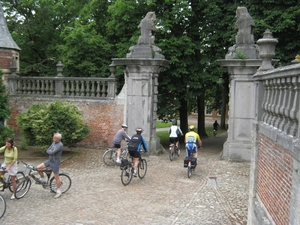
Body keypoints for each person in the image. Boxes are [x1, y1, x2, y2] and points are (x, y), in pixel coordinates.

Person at [36, 133, 63, 199]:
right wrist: (50, 151)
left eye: (54, 138)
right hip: (50, 160)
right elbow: (48, 150)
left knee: (56, 177)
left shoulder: (60, 145)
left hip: (55, 162)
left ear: (58, 139)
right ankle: (43, 178)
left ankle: (59, 191)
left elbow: (51, 152)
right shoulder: (54, 143)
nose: (53, 138)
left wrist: (50, 151)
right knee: (38, 168)